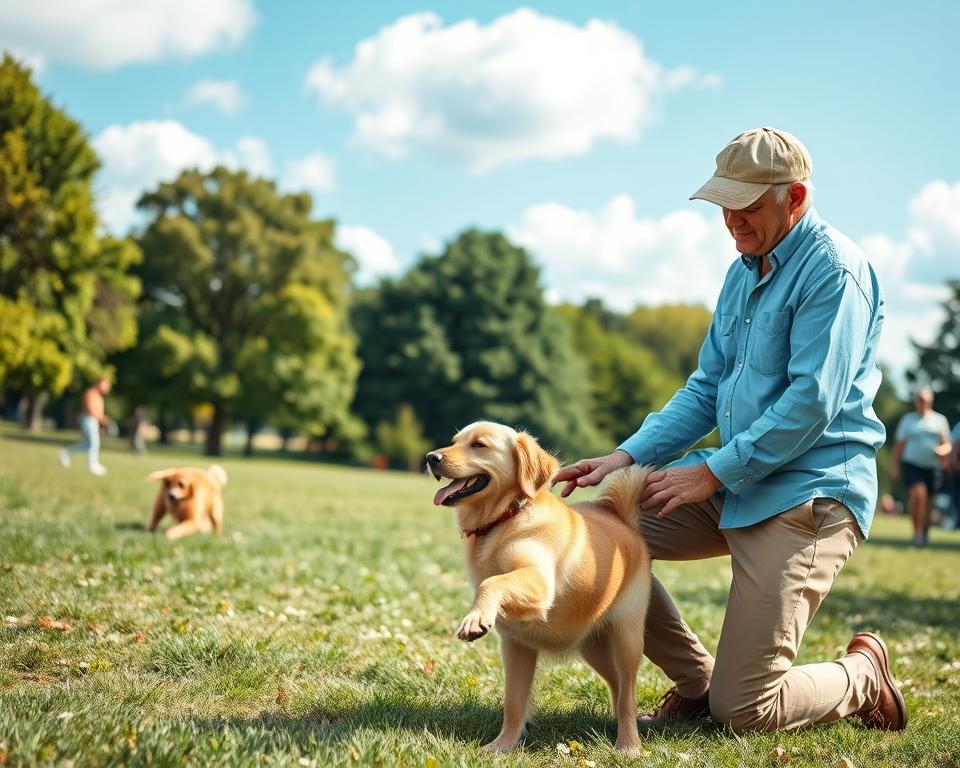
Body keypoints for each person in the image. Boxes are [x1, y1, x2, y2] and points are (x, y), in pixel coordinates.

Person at [555, 127, 905, 733]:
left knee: (745, 712)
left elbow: (811, 402)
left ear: (794, 198)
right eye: (724, 207)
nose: (733, 222)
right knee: (584, 544)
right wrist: (625, 458)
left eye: (747, 207)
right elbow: (707, 388)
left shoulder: (836, 272)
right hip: (734, 482)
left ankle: (863, 676)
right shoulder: (742, 272)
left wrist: (710, 472)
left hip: (808, 497)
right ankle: (695, 682)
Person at [891, 388, 951, 545]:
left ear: (930, 401)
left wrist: (941, 451)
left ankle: (924, 532)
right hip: (911, 464)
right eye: (918, 399)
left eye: (924, 400)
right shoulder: (908, 420)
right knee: (919, 495)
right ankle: (917, 532)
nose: (921, 402)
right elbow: (899, 445)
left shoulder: (940, 420)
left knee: (928, 502)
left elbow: (947, 444)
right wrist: (895, 465)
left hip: (932, 467)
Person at [59, 377, 112, 476]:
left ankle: (66, 453)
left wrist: (106, 421)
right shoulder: (91, 393)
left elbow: (99, 413)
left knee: (88, 444)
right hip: (88, 419)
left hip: (93, 421)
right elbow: (92, 410)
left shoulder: (99, 397)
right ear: (98, 383)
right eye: (105, 384)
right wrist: (103, 420)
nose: (107, 387)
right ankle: (92, 465)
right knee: (94, 442)